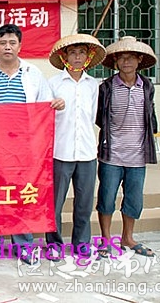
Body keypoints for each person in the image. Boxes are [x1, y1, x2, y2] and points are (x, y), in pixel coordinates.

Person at [0, 24, 64, 264]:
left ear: (20, 46)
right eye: (3, 43)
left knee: (21, 193)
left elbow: (44, 104)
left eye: (12, 43)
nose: (7, 47)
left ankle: (24, 245)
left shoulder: (32, 73)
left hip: (23, 145)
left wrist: (56, 104)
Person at [95, 36, 159, 258]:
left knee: (133, 200)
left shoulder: (147, 86)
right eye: (121, 58)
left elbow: (150, 115)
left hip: (138, 155)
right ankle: (105, 239)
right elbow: (99, 118)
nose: (126, 62)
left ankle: (127, 238)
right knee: (106, 198)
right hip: (111, 155)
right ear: (115, 61)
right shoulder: (106, 87)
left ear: (139, 60)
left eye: (131, 57)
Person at [44, 34, 105, 261]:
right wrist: (54, 107)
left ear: (87, 57)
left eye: (81, 52)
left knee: (84, 204)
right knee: (55, 204)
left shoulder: (93, 85)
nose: (77, 57)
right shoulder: (53, 84)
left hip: (87, 152)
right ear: (64, 56)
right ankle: (54, 245)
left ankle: (82, 244)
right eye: (72, 52)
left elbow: (92, 116)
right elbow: (44, 117)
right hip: (60, 152)